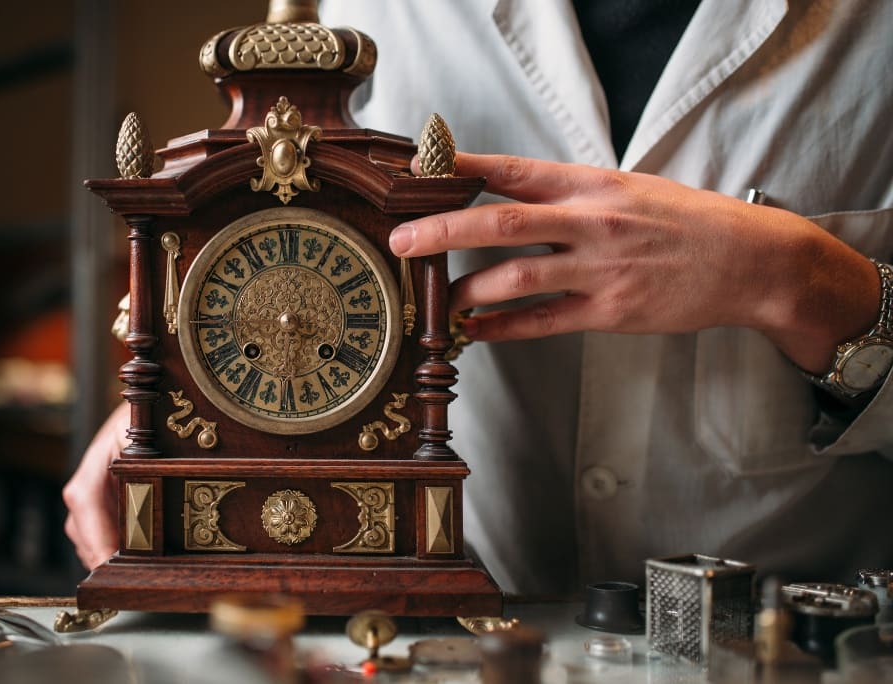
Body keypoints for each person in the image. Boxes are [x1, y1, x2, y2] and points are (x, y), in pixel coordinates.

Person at [65, 0, 893, 599]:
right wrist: (190, 397)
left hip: (792, 636)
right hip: (452, 623)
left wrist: (797, 278)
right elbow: (292, 225)